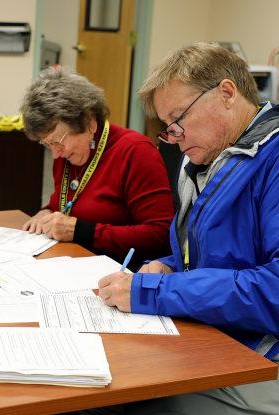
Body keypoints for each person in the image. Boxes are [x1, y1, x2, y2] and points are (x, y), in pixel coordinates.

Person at [97, 42, 279, 414]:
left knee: (127, 398)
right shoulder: (208, 158)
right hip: (219, 335)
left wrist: (157, 290)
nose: (174, 137)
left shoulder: (271, 158)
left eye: (179, 118)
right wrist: (169, 264)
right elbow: (216, 258)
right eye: (167, 127)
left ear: (227, 93)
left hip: (263, 356)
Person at [20, 67, 174, 268]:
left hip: (120, 273)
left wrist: (82, 231)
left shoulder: (135, 152)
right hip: (74, 262)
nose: (56, 154)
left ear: (90, 122)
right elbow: (64, 203)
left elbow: (160, 234)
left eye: (58, 141)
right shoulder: (68, 154)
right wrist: (46, 212)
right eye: (47, 144)